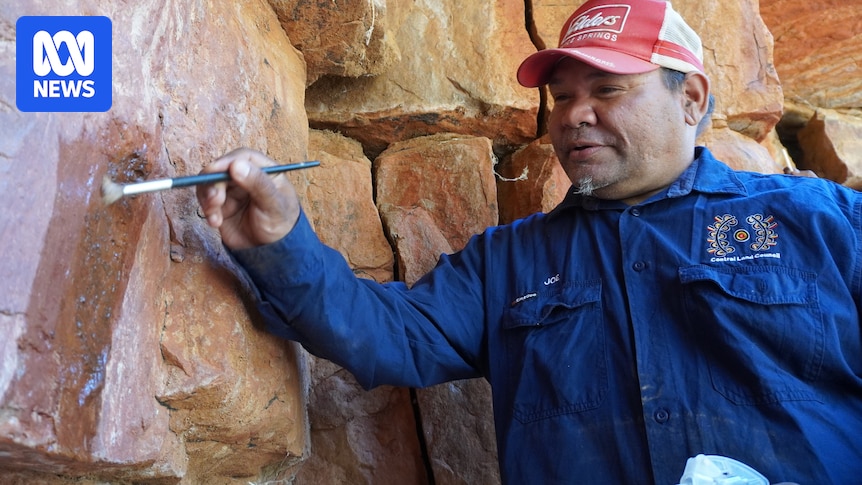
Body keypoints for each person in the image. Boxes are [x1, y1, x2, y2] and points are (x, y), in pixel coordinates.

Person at [196, 0, 862, 482]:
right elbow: (384, 332)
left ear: (690, 97)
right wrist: (280, 240)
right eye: (562, 96)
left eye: (607, 88)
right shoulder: (508, 262)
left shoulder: (822, 223)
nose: (574, 115)